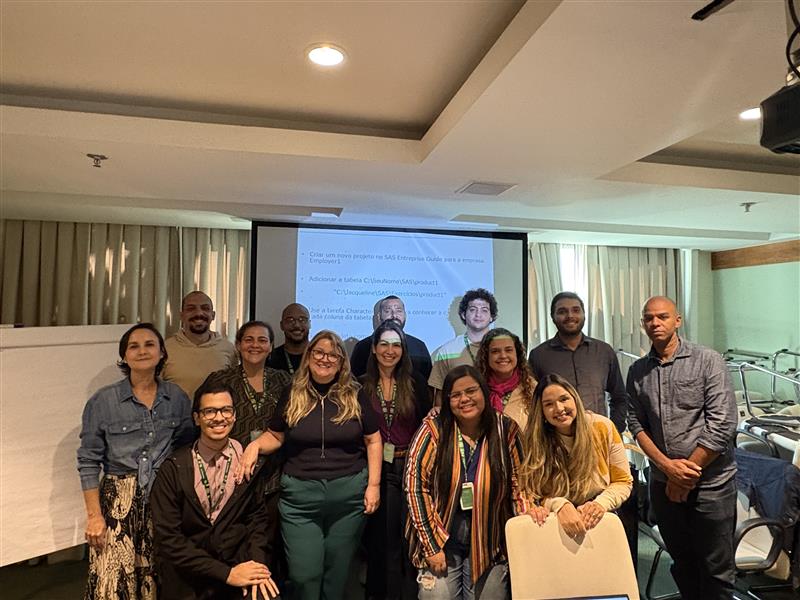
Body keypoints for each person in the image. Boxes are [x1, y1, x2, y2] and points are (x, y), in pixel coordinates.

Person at [237, 330, 383, 600]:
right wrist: (254, 446)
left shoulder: (355, 393)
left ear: (341, 362)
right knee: (304, 575)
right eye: (319, 352)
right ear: (309, 356)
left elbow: (373, 440)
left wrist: (373, 485)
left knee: (337, 573)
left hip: (348, 497)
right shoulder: (293, 392)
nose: (325, 359)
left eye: (332, 355)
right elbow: (276, 436)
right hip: (300, 500)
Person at [627, 296, 737, 600]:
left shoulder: (708, 360)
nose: (655, 323)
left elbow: (723, 423)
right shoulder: (637, 371)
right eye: (648, 318)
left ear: (678, 320)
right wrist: (667, 469)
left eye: (662, 316)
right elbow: (636, 424)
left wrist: (683, 476)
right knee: (682, 565)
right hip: (663, 485)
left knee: (716, 571)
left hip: (711, 486)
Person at [77, 323, 194, 600]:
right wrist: (94, 516)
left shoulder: (176, 398)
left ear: (162, 352)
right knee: (111, 584)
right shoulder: (103, 401)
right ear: (124, 356)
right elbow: (88, 460)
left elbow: (185, 448)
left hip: (163, 497)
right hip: (117, 503)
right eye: (134, 346)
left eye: (149, 344)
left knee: (159, 579)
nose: (142, 351)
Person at [150, 380, 280, 599]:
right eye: (209, 411)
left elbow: (257, 520)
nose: (219, 418)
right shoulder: (174, 468)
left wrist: (257, 568)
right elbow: (169, 539)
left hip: (236, 563)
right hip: (190, 573)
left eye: (226, 410)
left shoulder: (247, 461)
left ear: (234, 415)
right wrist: (226, 574)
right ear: (196, 418)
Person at [405, 365, 524, 600]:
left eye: (471, 391)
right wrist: (431, 546)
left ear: (484, 392)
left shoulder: (505, 429)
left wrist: (524, 525)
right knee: (436, 597)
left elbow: (520, 484)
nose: (464, 399)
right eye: (456, 395)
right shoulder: (433, 430)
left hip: (490, 540)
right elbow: (415, 487)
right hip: (442, 537)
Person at [201, 320, 292, 580]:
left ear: (271, 346)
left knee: (271, 548)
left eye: (262, 340)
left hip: (274, 478)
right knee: (232, 546)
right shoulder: (220, 379)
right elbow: (204, 419)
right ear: (238, 345)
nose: (255, 345)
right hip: (231, 478)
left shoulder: (284, 380)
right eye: (249, 339)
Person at [360, 320, 431, 600]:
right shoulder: (361, 386)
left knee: (408, 538)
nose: (390, 351)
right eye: (384, 344)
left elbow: (427, 424)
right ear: (374, 349)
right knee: (383, 540)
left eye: (396, 345)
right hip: (377, 469)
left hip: (410, 467)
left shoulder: (416, 383)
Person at [518, 373, 632, 537]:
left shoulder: (603, 427)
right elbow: (531, 493)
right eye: (549, 404)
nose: (559, 408)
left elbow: (623, 481)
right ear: (541, 411)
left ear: (575, 399)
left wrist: (599, 505)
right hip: (553, 522)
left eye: (564, 399)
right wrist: (558, 504)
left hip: (600, 515)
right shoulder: (534, 439)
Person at [527, 291, 627, 434]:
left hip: (598, 436)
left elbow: (619, 397)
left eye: (575, 310)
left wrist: (614, 429)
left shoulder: (604, 351)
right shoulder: (539, 355)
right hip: (557, 439)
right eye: (562, 311)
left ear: (584, 314)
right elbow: (533, 402)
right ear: (553, 317)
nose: (570, 316)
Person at [163, 290, 237, 399]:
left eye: (205, 308)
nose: (199, 313)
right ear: (182, 315)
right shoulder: (165, 349)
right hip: (175, 410)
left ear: (213, 315)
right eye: (191, 308)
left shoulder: (228, 349)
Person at [428, 289, 497, 403]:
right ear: (463, 315)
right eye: (473, 309)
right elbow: (440, 393)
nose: (478, 314)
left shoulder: (503, 348)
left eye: (484, 310)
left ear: (492, 317)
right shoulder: (447, 351)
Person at [350, 295, 432, 380]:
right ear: (379, 316)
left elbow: (427, 380)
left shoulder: (419, 346)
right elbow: (355, 381)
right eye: (387, 311)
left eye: (399, 311)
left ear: (405, 315)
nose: (394, 315)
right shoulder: (363, 347)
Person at [475, 328, 536, 430]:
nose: (503, 356)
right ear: (486, 356)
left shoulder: (533, 388)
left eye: (508, 350)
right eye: (495, 351)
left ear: (517, 354)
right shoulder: (475, 388)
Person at [267, 303, 311, 376]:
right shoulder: (270, 358)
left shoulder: (320, 356)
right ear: (281, 325)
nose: (297, 325)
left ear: (309, 324)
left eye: (302, 320)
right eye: (290, 320)